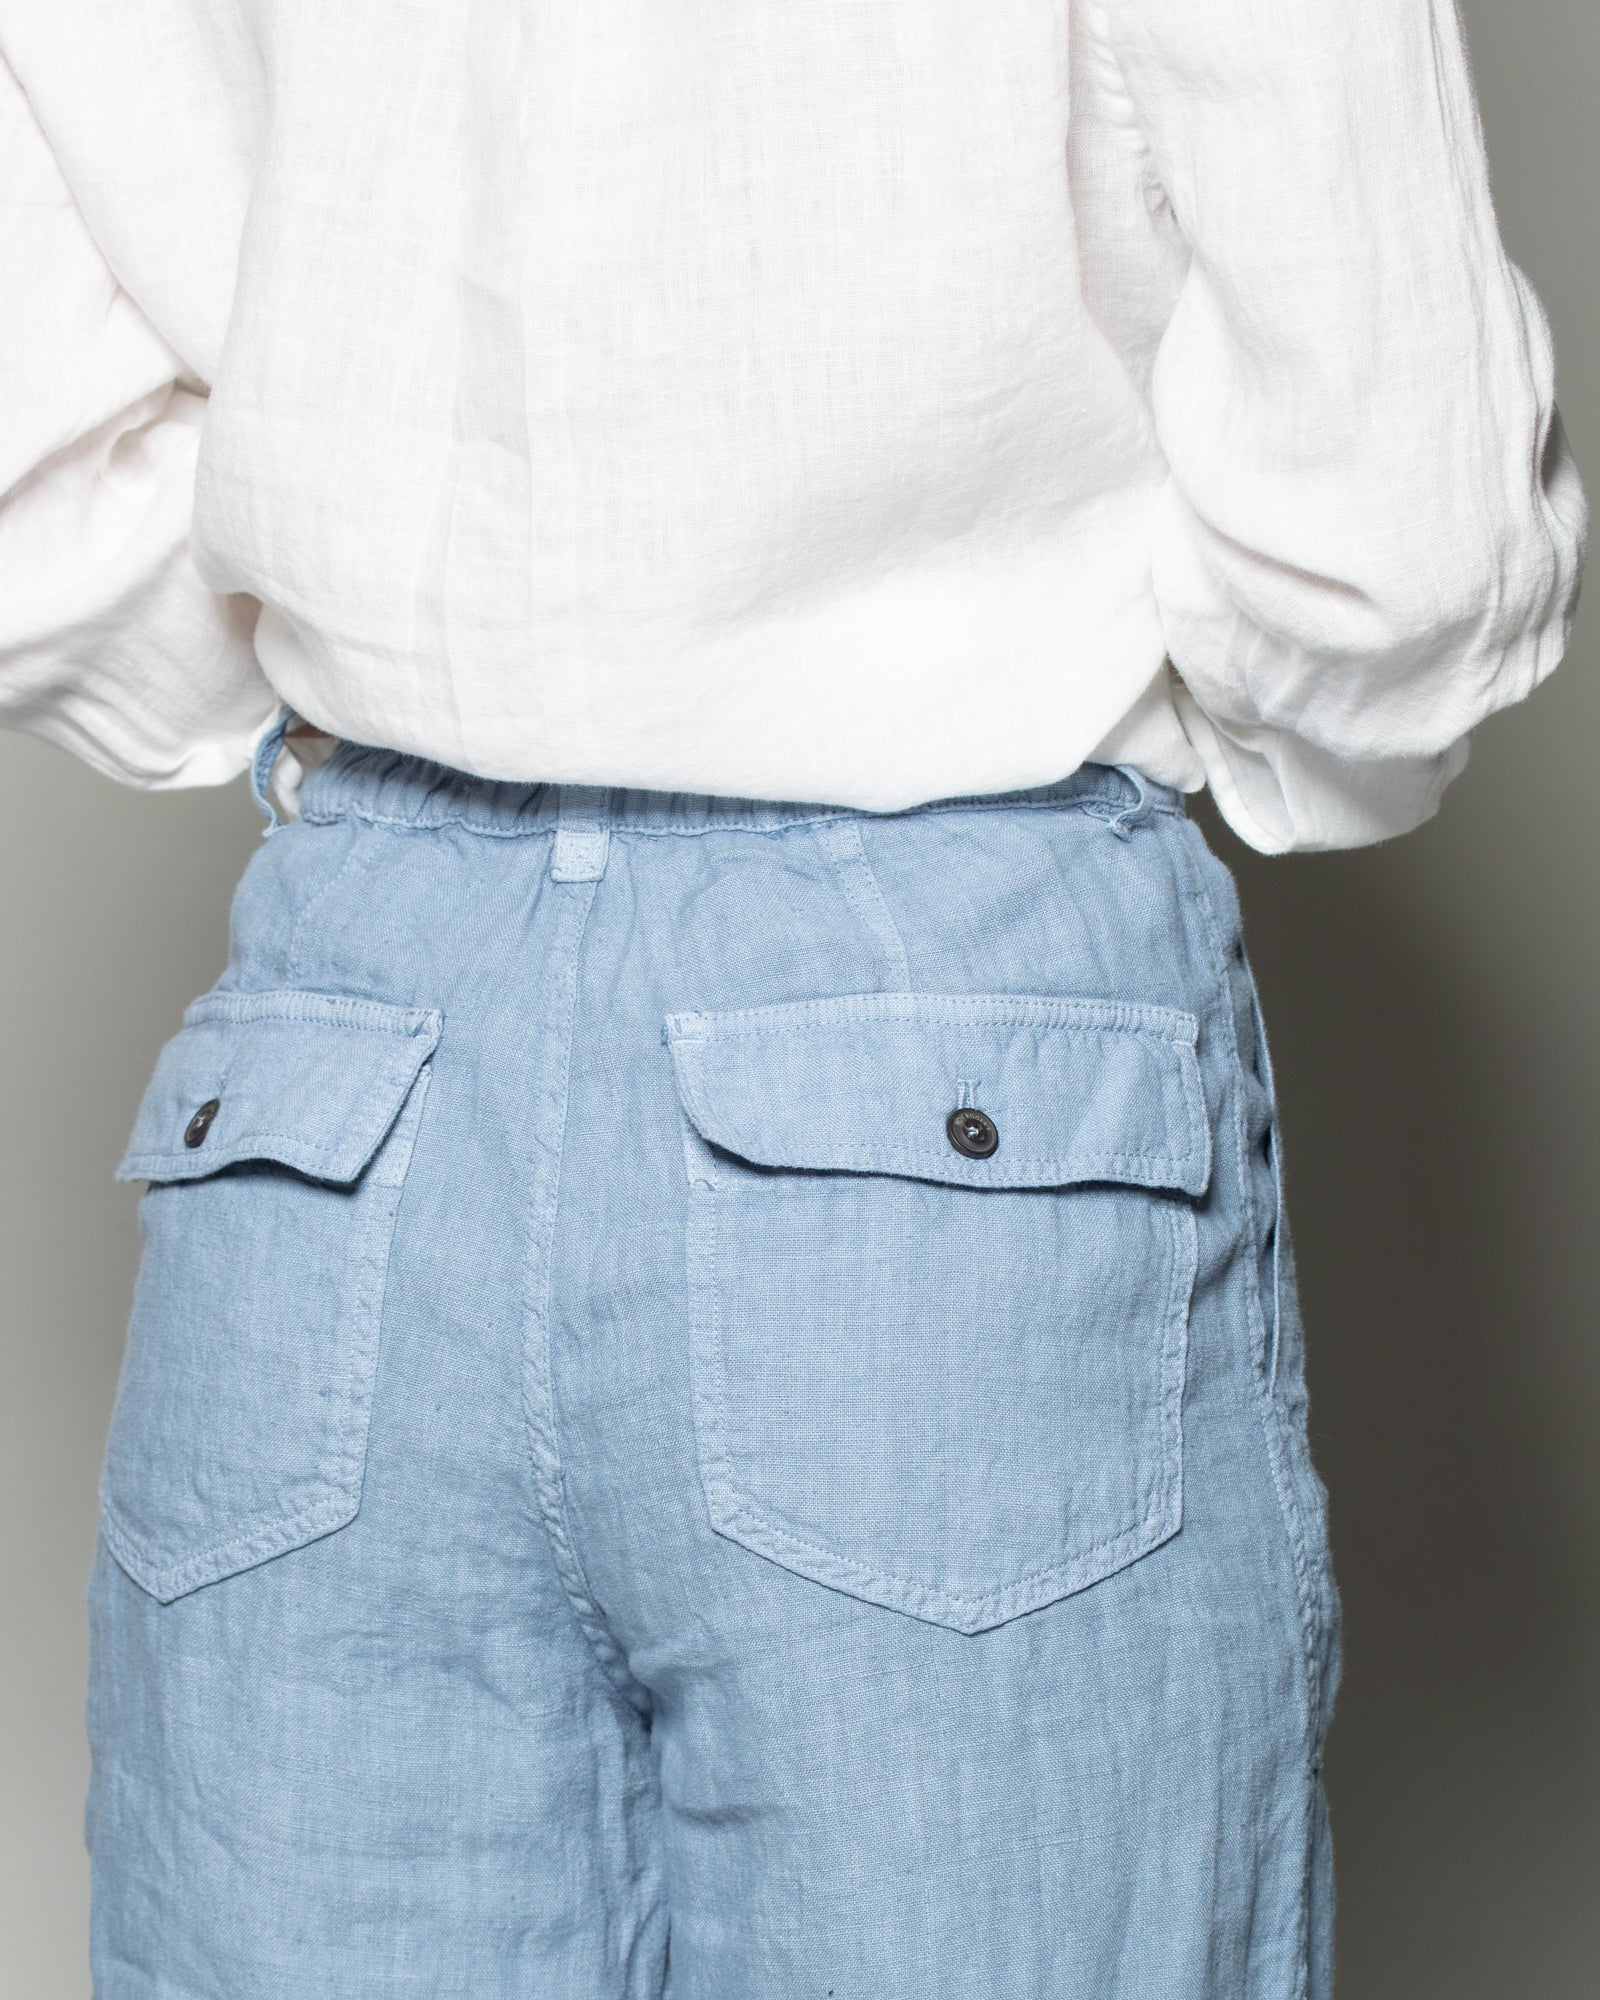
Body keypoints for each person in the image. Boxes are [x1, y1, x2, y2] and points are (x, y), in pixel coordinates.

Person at [0, 3, 1585, 1994]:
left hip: (343, 1072)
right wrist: (1092, 709)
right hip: (948, 1036)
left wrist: (417, 691)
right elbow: (1400, 543)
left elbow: (33, 478)